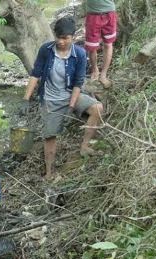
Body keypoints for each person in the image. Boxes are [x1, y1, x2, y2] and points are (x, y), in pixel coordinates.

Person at [20, 17, 104, 180]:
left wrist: (71, 107)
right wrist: (25, 98)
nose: (60, 41)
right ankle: (50, 173)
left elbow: (78, 83)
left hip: (70, 95)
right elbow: (35, 74)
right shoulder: (46, 50)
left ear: (72, 36)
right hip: (50, 100)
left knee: (97, 108)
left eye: (65, 38)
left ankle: (85, 146)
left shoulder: (79, 54)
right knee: (50, 136)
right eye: (58, 37)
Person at [84, 0, 116, 88]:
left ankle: (103, 74)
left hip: (109, 13)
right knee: (92, 47)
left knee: (108, 44)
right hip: (92, 15)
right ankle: (95, 71)